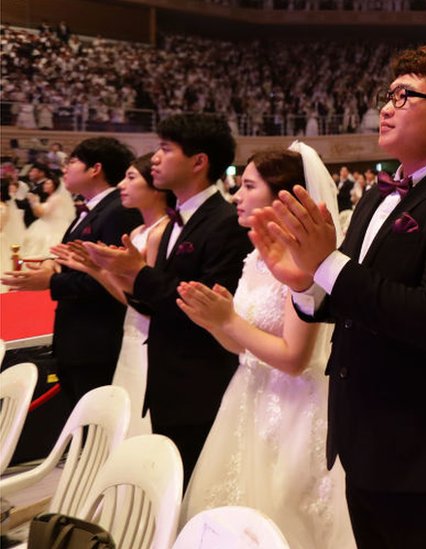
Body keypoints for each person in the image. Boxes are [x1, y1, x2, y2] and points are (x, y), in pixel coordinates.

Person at [249, 45, 426, 548]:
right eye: (387, 95)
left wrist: (325, 264)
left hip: (425, 446)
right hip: (362, 434)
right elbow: (350, 298)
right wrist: (302, 282)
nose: (385, 107)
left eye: (404, 96)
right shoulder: (375, 194)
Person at [180, 145, 354, 549]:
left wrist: (229, 321)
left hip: (293, 408)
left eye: (248, 186)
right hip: (249, 394)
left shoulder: (303, 261)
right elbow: (241, 346)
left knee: (282, 515)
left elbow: (294, 358)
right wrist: (213, 321)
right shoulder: (253, 258)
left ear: (283, 197)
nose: (236, 196)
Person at [83, 114, 252, 486]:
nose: (154, 159)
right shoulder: (179, 219)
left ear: (198, 161)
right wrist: (118, 272)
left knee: (193, 487)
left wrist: (138, 272)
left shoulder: (224, 223)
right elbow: (154, 301)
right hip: (167, 382)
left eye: (165, 149)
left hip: (199, 383)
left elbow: (204, 305)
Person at [2, 138, 141, 405]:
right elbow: (79, 261)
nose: (65, 168)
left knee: (93, 419)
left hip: (96, 336)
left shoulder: (117, 211)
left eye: (73, 161)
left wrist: (51, 280)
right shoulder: (93, 208)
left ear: (95, 169)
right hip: (78, 333)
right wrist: (53, 264)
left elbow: (109, 277)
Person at [52, 153, 172, 436]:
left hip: (145, 332)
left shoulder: (159, 232)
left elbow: (141, 300)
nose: (121, 185)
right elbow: (127, 295)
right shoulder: (138, 230)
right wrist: (94, 268)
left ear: (155, 186)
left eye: (131, 178)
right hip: (129, 330)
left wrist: (97, 271)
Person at [20, 168, 75, 258]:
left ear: (55, 186)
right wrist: (34, 203)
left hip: (53, 226)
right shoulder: (50, 197)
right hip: (44, 223)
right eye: (45, 183)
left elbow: (43, 213)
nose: (45, 185)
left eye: (48, 183)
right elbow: (37, 214)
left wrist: (34, 202)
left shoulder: (56, 198)